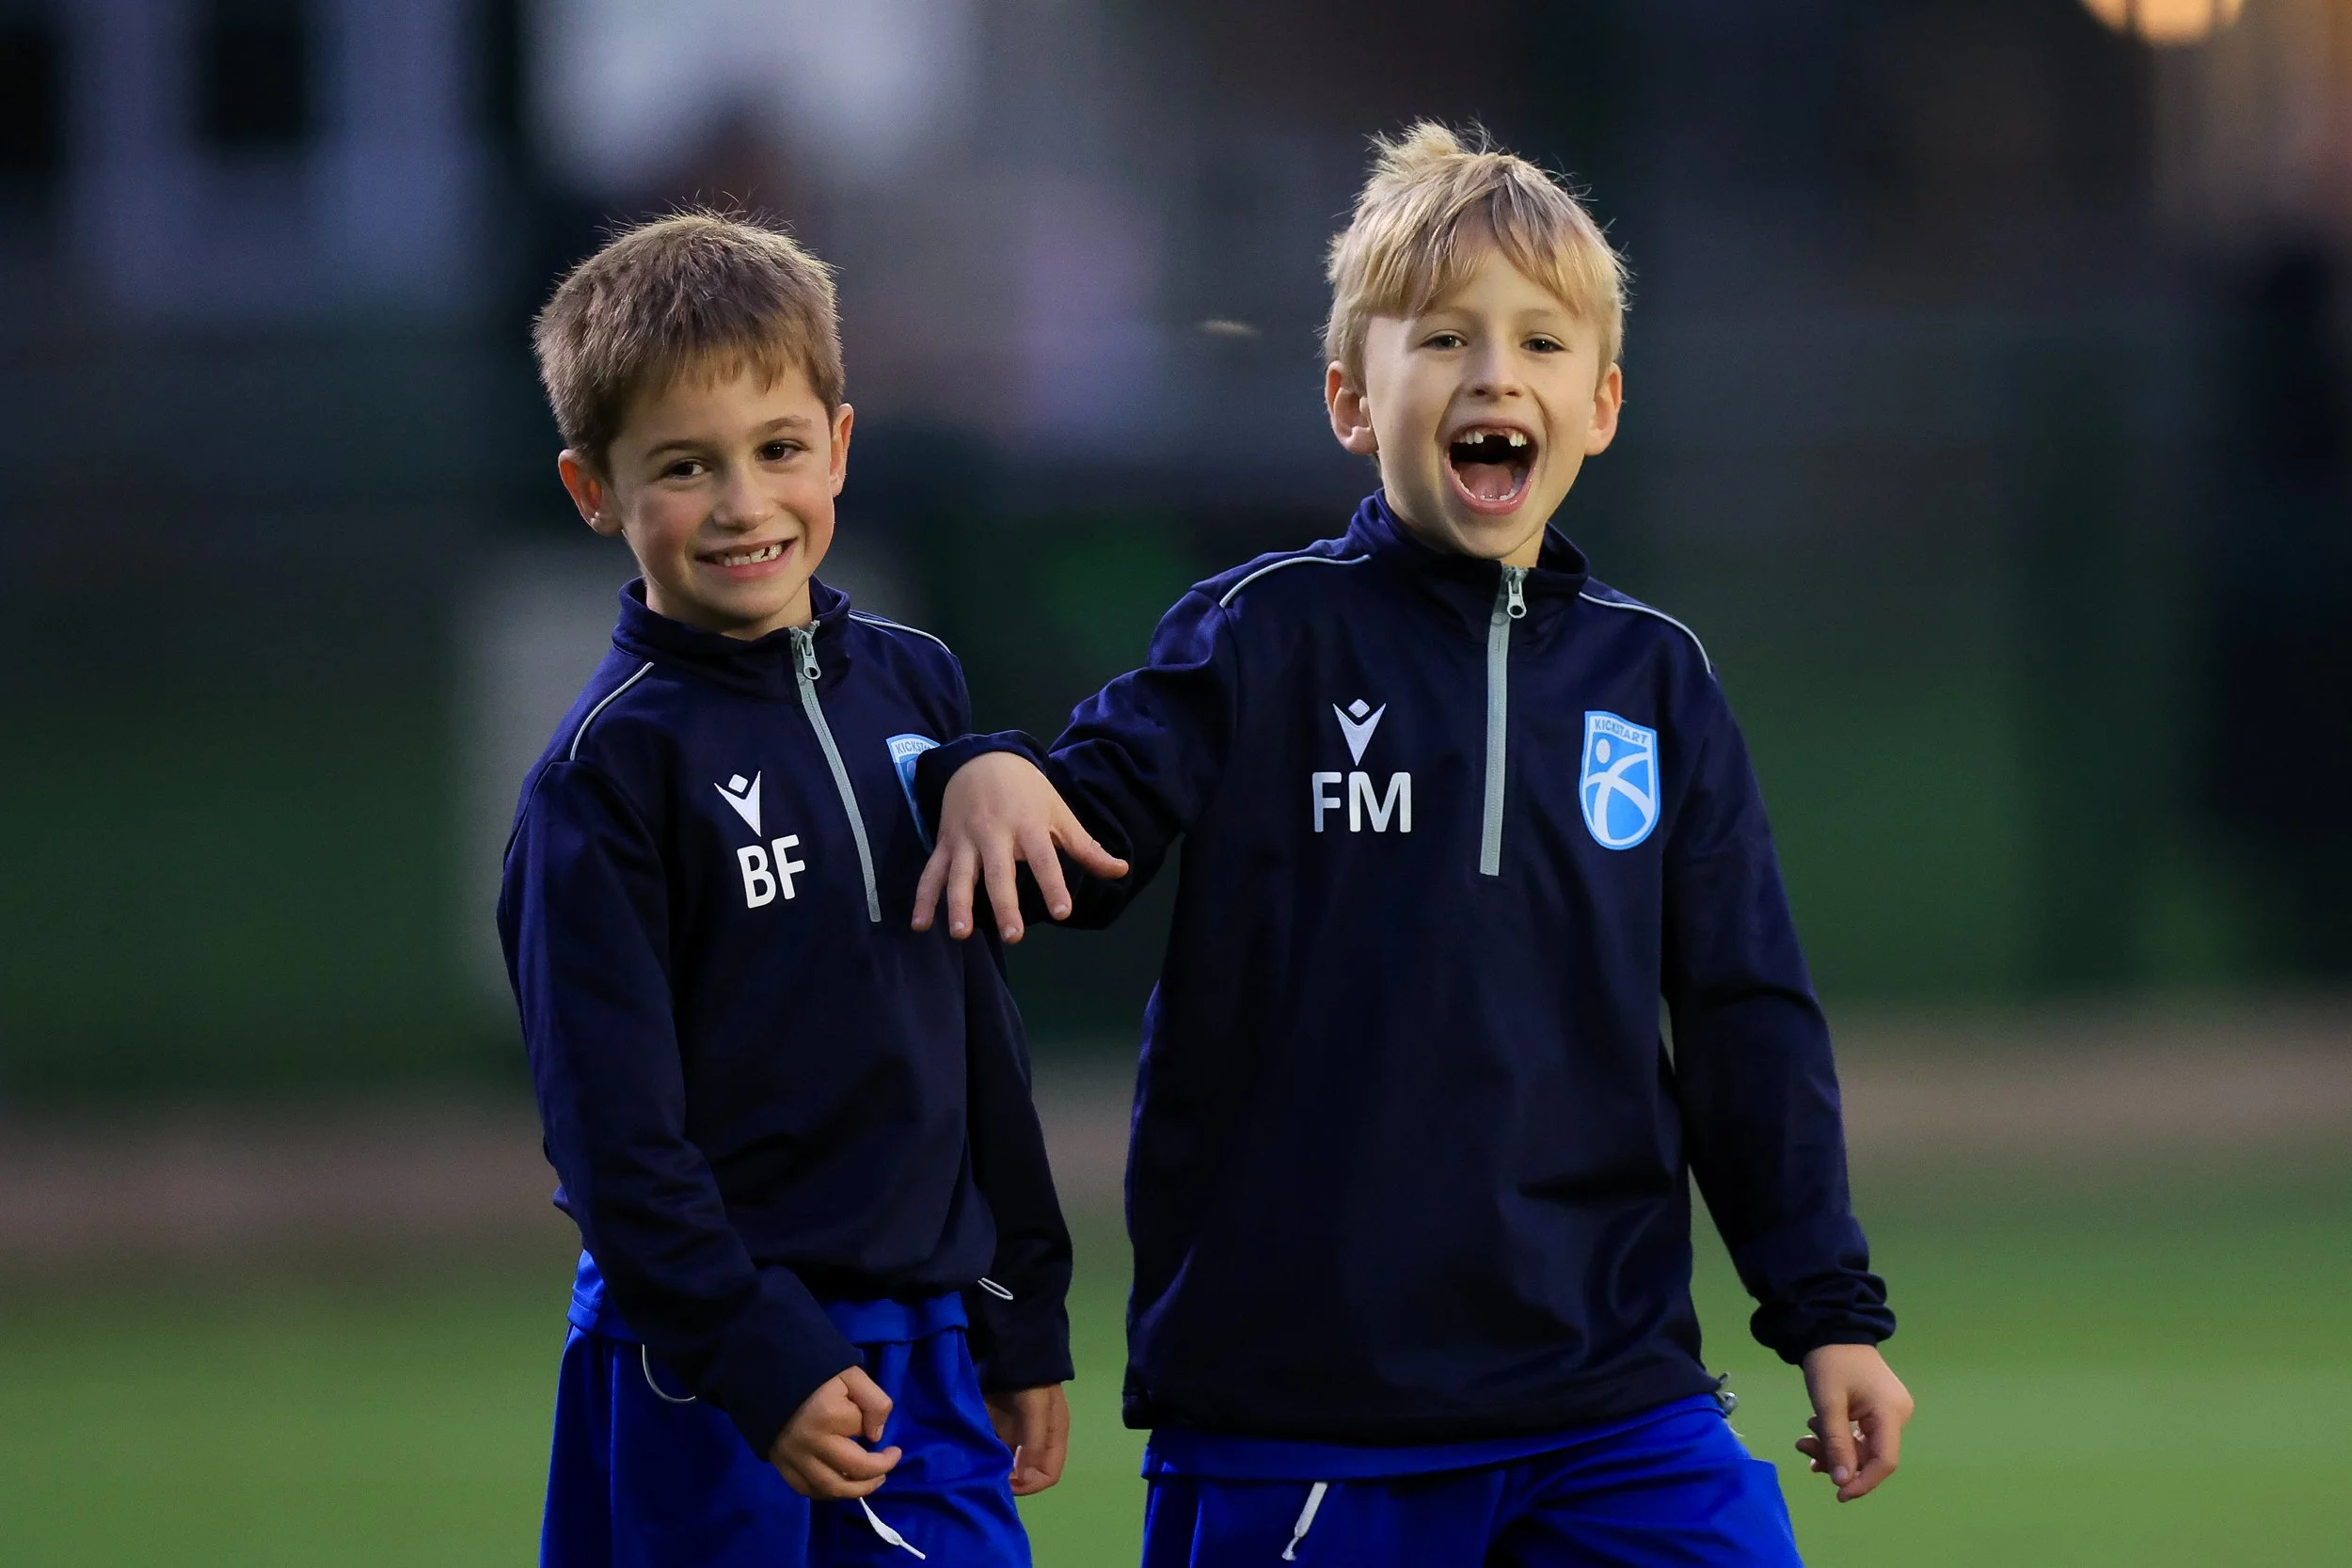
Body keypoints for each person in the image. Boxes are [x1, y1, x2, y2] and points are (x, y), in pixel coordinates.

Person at [911, 125, 1913, 1566]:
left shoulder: (1657, 681)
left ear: (1603, 401)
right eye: (1442, 338)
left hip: (1610, 1398)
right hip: (1307, 1407)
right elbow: (1075, 835)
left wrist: (1827, 1311)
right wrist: (988, 766)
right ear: (1348, 397)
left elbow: (1747, 1020)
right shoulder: (1261, 633)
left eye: (1541, 342)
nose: (1495, 374)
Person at [501, 212, 1073, 1568]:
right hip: (705, 1367)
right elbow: (612, 1143)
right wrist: (756, 1351)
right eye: (686, 468)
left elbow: (973, 1029)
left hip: (924, 1351)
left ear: (841, 445)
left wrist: (1019, 1306)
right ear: (595, 491)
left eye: (778, 450)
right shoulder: (603, 779)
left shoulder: (921, 685)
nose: (747, 504)